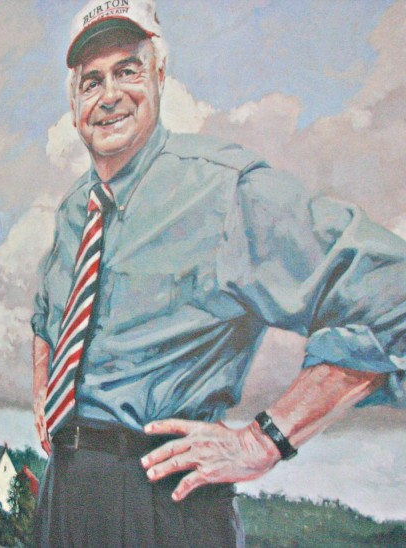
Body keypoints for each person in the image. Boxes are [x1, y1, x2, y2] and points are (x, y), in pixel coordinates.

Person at [31, 0, 406, 545]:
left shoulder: (226, 191)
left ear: (160, 74)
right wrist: (44, 386)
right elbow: (47, 310)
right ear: (73, 102)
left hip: (165, 503)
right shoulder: (74, 209)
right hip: (63, 495)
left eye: (127, 70)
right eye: (92, 80)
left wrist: (266, 437)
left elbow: (393, 296)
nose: (108, 94)